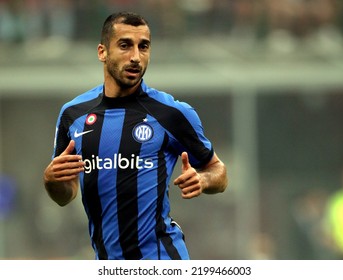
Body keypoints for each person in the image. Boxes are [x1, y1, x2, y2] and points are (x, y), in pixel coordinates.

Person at [43, 11, 228, 260]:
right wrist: (51, 181)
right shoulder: (73, 115)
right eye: (125, 45)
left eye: (144, 47)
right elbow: (65, 194)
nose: (136, 58)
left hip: (161, 261)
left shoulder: (172, 113)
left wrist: (204, 180)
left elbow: (219, 172)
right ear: (102, 52)